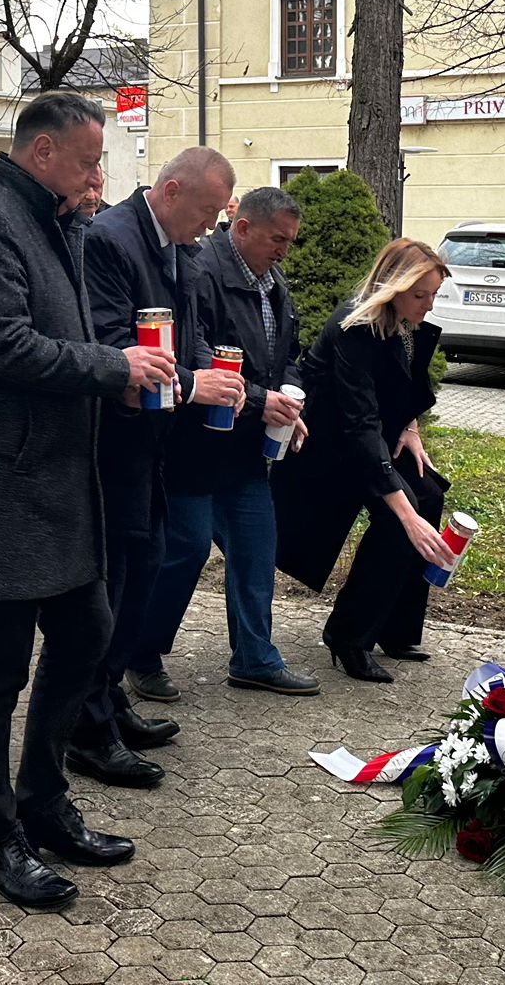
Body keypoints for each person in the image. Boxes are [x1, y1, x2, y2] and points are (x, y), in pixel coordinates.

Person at [0, 91, 177, 911]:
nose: (98, 176)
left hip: (59, 488)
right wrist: (113, 368)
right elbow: (3, 349)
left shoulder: (55, 221)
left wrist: (120, 372)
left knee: (86, 635)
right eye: (89, 160)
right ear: (43, 153)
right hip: (0, 491)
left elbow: (66, 340)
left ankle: (43, 802)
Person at [70, 147, 244, 790]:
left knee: (144, 572)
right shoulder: (111, 240)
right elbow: (111, 345)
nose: (211, 226)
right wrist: (196, 384)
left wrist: (214, 377)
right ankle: (86, 727)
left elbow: (188, 336)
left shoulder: (180, 246)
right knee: (114, 582)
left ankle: (109, 699)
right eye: (206, 210)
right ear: (171, 191)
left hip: (157, 445)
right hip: (115, 444)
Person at [131, 186, 317, 701]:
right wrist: (260, 400)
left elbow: (288, 355)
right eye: (277, 239)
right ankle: (141, 654)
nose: (284, 251)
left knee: (257, 549)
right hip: (194, 446)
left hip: (247, 449)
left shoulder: (272, 281)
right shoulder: (202, 273)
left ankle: (255, 658)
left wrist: (288, 400)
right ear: (243, 228)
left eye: (290, 241)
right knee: (185, 551)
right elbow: (196, 357)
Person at [273, 238, 458, 683]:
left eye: (435, 294)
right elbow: (358, 425)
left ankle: (395, 627)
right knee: (402, 517)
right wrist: (406, 514)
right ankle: (348, 636)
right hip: (328, 446)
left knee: (428, 494)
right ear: (393, 287)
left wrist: (410, 429)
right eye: (421, 295)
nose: (430, 305)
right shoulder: (355, 327)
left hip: (373, 434)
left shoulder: (402, 320)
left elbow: (403, 384)